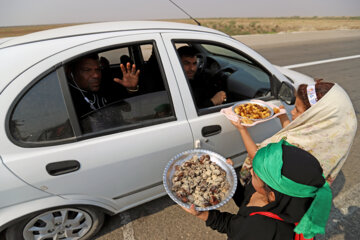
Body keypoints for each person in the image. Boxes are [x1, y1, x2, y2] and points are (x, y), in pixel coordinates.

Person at [182, 139, 332, 240]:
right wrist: (231, 178)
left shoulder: (262, 228)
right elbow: (245, 202)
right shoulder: (281, 197)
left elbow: (232, 227)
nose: (250, 172)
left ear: (272, 195)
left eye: (255, 173)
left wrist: (203, 215)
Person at [231, 80, 357, 185]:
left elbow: (257, 157)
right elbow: (295, 133)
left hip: (269, 190)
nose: (292, 112)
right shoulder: (326, 137)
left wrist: (242, 130)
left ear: (312, 116)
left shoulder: (295, 147)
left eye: (297, 109)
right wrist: (283, 118)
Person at [67, 53, 140, 118]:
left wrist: (131, 88)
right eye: (87, 70)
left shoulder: (104, 85)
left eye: (98, 69)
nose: (96, 75)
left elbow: (127, 108)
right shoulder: (68, 100)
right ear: (71, 73)